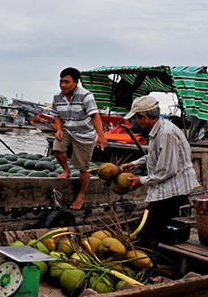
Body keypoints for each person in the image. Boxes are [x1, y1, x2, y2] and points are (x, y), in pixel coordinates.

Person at [120, 96, 199, 249]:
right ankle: (150, 259)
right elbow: (154, 155)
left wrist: (140, 180)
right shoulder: (157, 130)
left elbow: (167, 170)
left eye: (136, 118)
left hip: (174, 188)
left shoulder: (166, 133)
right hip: (166, 186)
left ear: (143, 117)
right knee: (151, 225)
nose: (134, 122)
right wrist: (134, 164)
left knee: (147, 228)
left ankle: (150, 267)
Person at [52, 67, 107, 210]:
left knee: (83, 168)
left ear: (76, 82)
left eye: (67, 82)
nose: (63, 85)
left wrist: (101, 136)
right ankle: (66, 170)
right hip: (68, 130)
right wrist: (58, 129)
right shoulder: (57, 97)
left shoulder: (86, 96)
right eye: (61, 81)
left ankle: (81, 195)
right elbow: (56, 115)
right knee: (57, 148)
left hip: (85, 134)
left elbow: (95, 116)